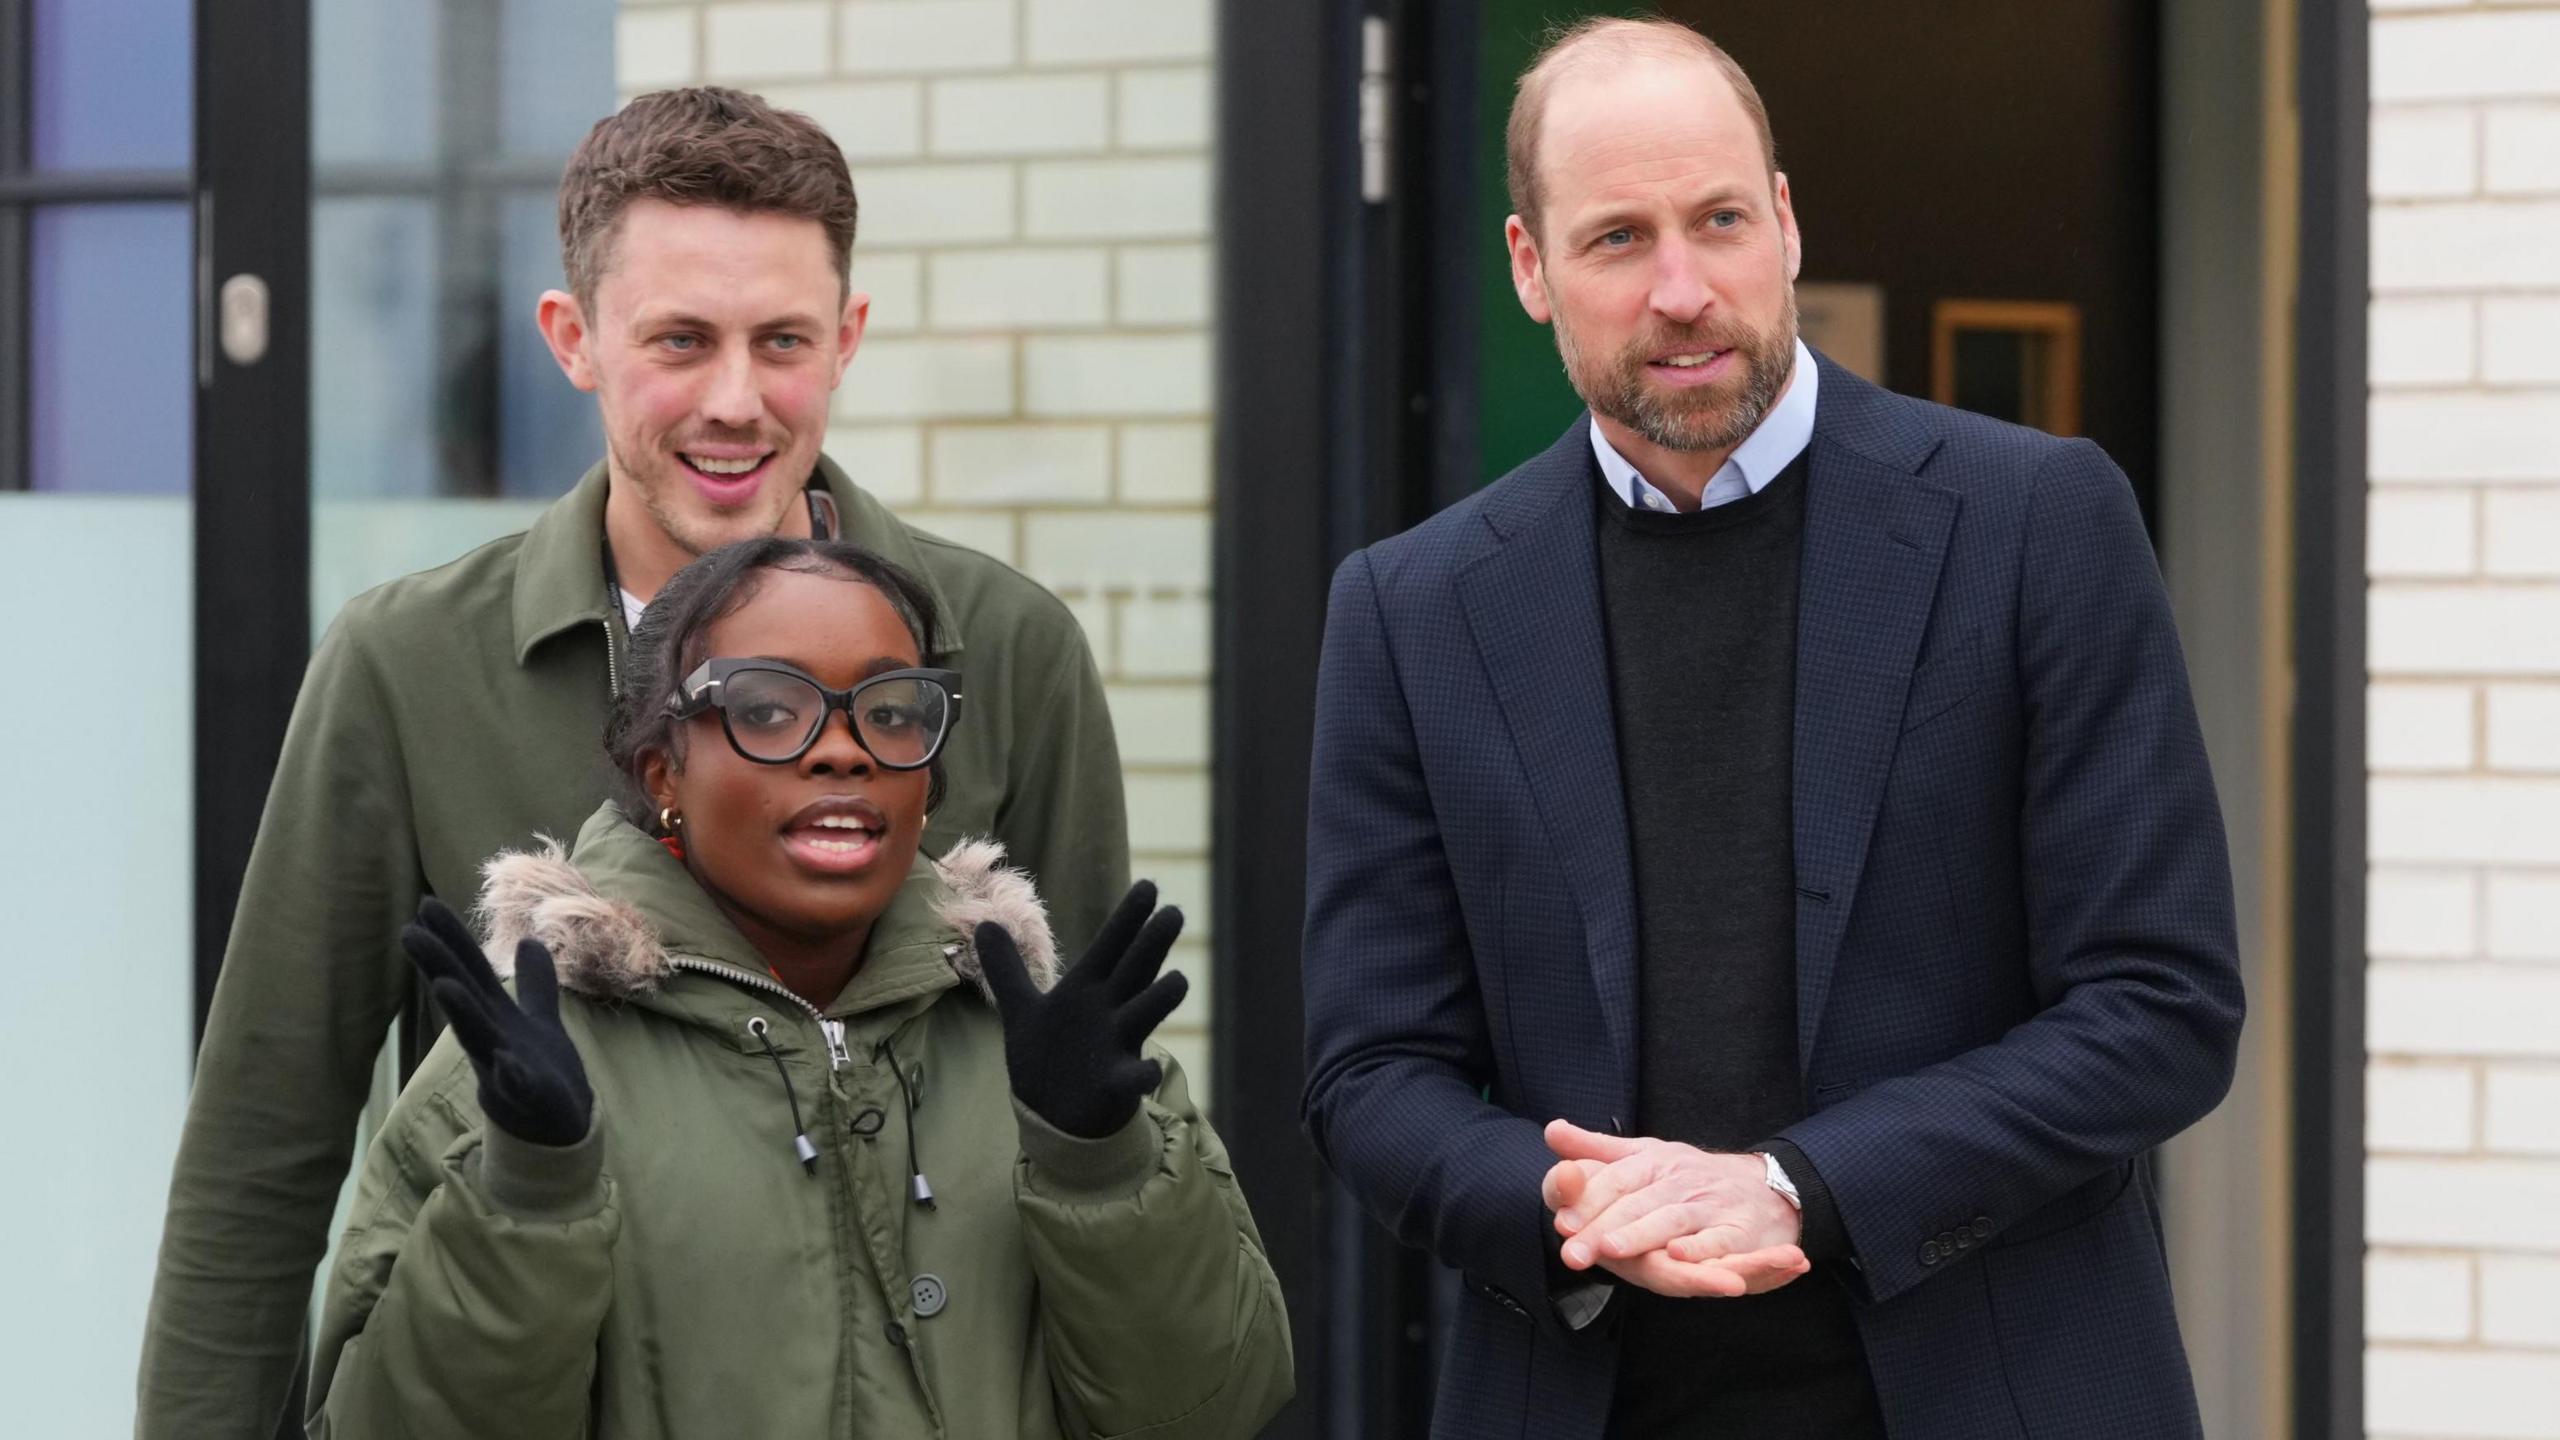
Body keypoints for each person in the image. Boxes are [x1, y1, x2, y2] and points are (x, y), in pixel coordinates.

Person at [1299, 17, 2244, 1440]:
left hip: (1997, 1388)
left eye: (1720, 220)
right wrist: (1564, 1200)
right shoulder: (1412, 608)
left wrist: (1797, 1181)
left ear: (1785, 224)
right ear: (1529, 270)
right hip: (1590, 1396)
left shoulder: (2035, 523)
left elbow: (2161, 1005)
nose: (1683, 289)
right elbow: (1370, 1072)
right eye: (1618, 239)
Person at [139, 87, 1128, 1438]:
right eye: (680, 339)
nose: (736, 400)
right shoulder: (405, 664)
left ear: (846, 339)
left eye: (781, 339)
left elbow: (1082, 1129)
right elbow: (264, 1147)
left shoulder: (1009, 652)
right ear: (575, 340)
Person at [304, 536, 1291, 1438]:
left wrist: (1099, 1165)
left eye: (892, 711)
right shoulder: (525, 1062)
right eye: (767, 707)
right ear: (662, 772)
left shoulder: (1051, 1055)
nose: (843, 747)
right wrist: (526, 1194)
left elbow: (1217, 1408)